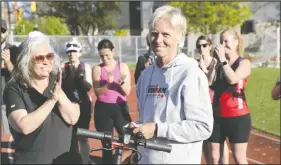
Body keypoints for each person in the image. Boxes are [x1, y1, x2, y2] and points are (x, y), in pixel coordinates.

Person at [129, 5, 214, 164]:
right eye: (154, 34)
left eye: (165, 34)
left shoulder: (191, 74)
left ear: (179, 37)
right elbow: (148, 119)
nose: (158, 40)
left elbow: (202, 127)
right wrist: (138, 127)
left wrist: (157, 129)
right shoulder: (146, 75)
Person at [3, 35, 80, 164]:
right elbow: (24, 126)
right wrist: (51, 101)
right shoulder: (14, 88)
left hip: (65, 159)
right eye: (39, 58)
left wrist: (59, 93)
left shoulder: (63, 80)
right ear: (27, 62)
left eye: (49, 56)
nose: (46, 61)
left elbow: (73, 117)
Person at [208, 29, 252, 164]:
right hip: (217, 116)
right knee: (215, 157)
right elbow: (209, 83)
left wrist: (222, 60)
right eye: (221, 41)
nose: (223, 44)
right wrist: (215, 64)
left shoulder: (244, 63)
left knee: (239, 158)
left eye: (226, 41)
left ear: (235, 42)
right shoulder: (219, 63)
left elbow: (232, 79)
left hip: (237, 117)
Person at [92, 39, 132, 164]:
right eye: (101, 56)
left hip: (119, 107)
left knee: (126, 138)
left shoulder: (122, 66)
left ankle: (120, 160)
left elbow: (127, 91)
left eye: (107, 55)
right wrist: (108, 84)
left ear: (113, 52)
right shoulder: (97, 69)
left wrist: (120, 83)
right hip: (103, 108)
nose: (104, 58)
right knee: (106, 142)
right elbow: (98, 93)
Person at [196, 35, 229, 164]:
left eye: (204, 45)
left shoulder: (216, 62)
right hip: (201, 106)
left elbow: (210, 82)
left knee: (219, 140)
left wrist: (204, 68)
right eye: (199, 46)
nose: (201, 48)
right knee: (205, 140)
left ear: (209, 46)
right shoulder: (195, 63)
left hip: (214, 104)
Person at [61, 38, 93, 164]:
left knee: (83, 137)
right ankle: (73, 160)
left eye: (74, 51)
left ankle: (85, 161)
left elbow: (89, 87)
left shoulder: (85, 67)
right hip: (68, 106)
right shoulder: (63, 68)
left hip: (83, 105)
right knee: (70, 137)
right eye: (69, 52)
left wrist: (80, 78)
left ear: (80, 53)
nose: (71, 54)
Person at [1, 18, 19, 134]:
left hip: (7, 97)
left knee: (12, 132)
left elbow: (18, 75)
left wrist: (7, 62)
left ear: (7, 33)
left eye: (2, 31)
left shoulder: (14, 50)